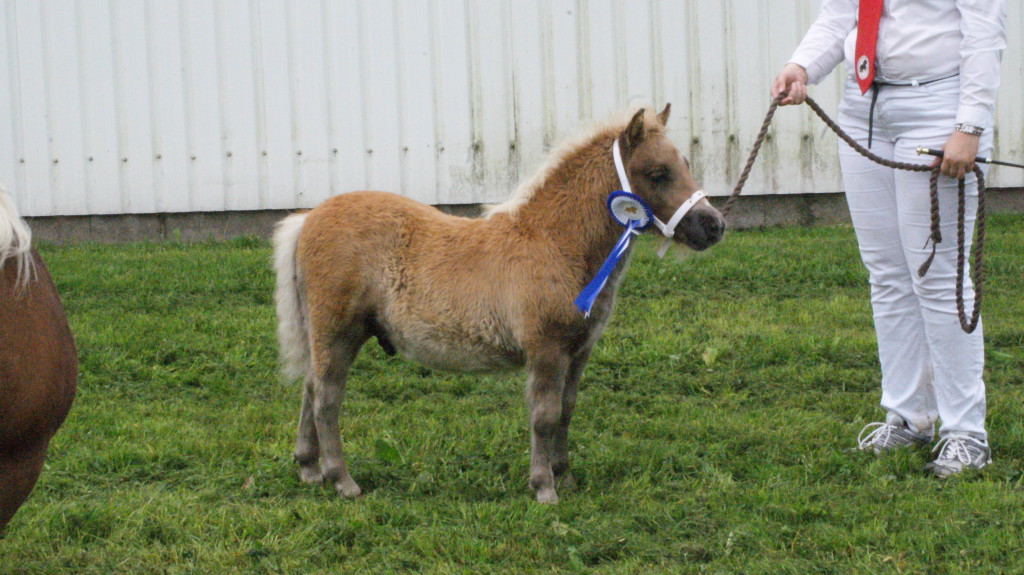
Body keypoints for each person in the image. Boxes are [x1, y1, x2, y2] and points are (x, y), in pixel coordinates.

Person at [771, 0, 1007, 477]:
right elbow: (841, 14)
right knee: (888, 276)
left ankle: (966, 433)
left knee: (938, 279)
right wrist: (802, 66)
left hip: (937, 105)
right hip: (863, 106)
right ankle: (908, 417)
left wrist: (969, 125)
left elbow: (984, 32)